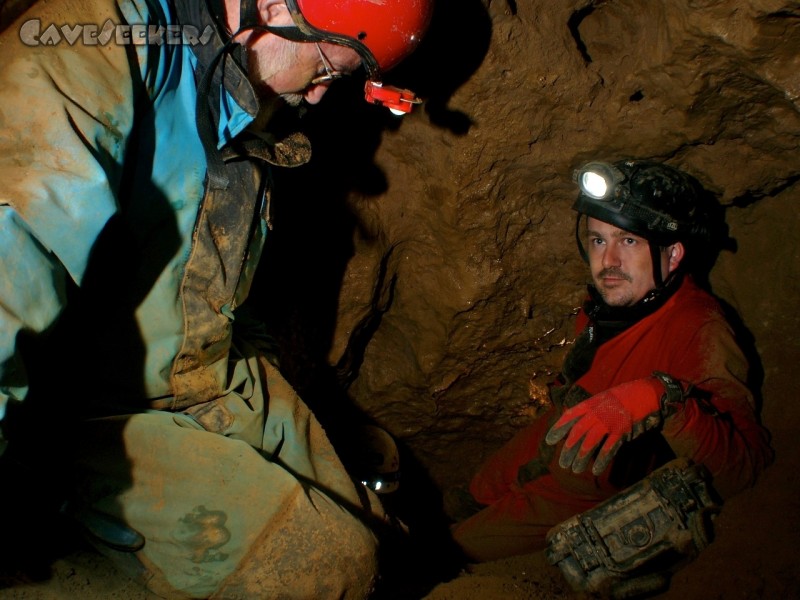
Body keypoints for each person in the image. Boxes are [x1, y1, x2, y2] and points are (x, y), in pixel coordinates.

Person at [0, 0, 432, 598]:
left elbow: (206, 291)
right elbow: (9, 255)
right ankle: (51, 502)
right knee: (328, 568)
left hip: (200, 383)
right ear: (278, 6)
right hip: (88, 417)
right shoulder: (98, 46)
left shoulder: (234, 98)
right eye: (328, 69)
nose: (318, 98)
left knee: (385, 535)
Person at [450, 158, 774, 562]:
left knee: (448, 553)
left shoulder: (699, 329)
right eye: (599, 240)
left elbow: (744, 467)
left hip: (590, 494)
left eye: (629, 241)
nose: (609, 262)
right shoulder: (609, 306)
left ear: (673, 255)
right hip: (561, 437)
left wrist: (664, 399)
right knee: (463, 500)